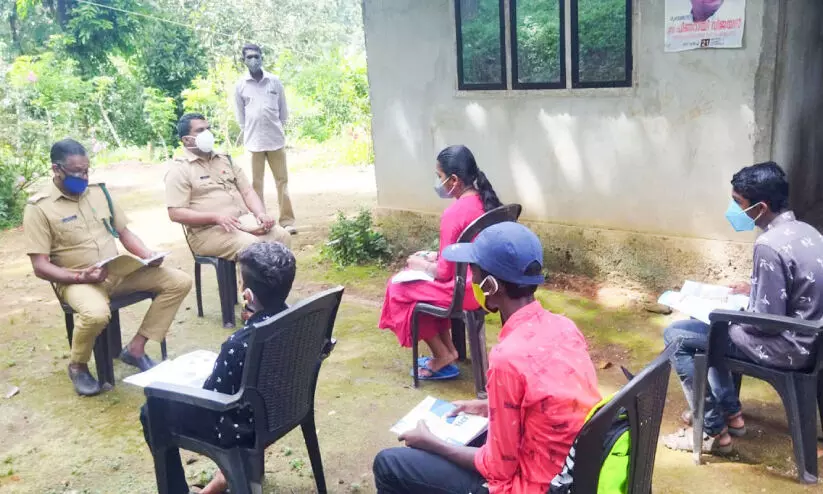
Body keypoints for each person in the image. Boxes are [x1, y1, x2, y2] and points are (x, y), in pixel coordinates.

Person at [373, 222, 600, 494]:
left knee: (388, 464)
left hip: (532, 486)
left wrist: (431, 442)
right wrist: (487, 406)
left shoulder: (507, 358)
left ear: (491, 286)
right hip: (568, 469)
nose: (472, 281)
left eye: (474, 273)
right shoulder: (564, 327)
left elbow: (497, 468)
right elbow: (548, 403)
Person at [662, 162, 823, 454]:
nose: (734, 209)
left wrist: (727, 312)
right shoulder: (808, 231)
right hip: (809, 341)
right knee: (711, 329)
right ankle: (731, 413)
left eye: (738, 203)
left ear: (761, 207)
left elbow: (763, 324)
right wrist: (753, 291)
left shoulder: (769, 245)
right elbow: (802, 286)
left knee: (679, 336)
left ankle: (713, 431)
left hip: (785, 349)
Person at [23, 139, 192, 396]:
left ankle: (135, 349)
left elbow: (124, 233)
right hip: (76, 280)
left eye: (87, 170)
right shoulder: (40, 207)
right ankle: (78, 365)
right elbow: (40, 266)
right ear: (56, 170)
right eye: (77, 172)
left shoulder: (98, 192)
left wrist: (148, 255)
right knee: (96, 314)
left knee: (178, 281)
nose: (83, 176)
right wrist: (80, 276)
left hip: (115, 272)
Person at [140, 241, 296, 494]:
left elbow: (214, 397)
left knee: (151, 410)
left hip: (242, 426)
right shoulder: (297, 320)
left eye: (240, 281)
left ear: (248, 296)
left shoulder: (239, 344)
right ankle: (224, 481)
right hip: (282, 409)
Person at [379, 145, 501, 379]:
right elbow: (465, 248)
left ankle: (442, 354)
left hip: (465, 290)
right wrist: (435, 256)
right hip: (487, 284)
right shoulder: (487, 202)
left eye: (440, 177)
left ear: (454, 179)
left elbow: (444, 273)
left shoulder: (454, 213)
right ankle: (448, 350)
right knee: (415, 289)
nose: (439, 182)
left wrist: (419, 264)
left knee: (398, 288)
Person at [165, 113, 291, 269]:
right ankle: (250, 292)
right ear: (186, 140)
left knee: (281, 236)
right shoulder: (179, 170)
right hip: (208, 232)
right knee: (253, 247)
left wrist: (260, 214)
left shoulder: (225, 159)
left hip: (242, 221)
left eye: (208, 128)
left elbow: (247, 192)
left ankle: (274, 291)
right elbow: (175, 213)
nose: (207, 133)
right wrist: (215, 218)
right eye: (200, 130)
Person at [234, 43, 295, 234]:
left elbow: (283, 111)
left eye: (256, 56)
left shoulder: (274, 81)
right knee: (255, 185)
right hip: (253, 143)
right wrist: (249, 130)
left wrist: (277, 128)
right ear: (243, 60)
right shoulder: (240, 85)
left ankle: (287, 221)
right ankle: (262, 221)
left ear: (262, 57)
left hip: (275, 140)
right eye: (249, 57)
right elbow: (240, 116)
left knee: (282, 182)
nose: (253, 60)